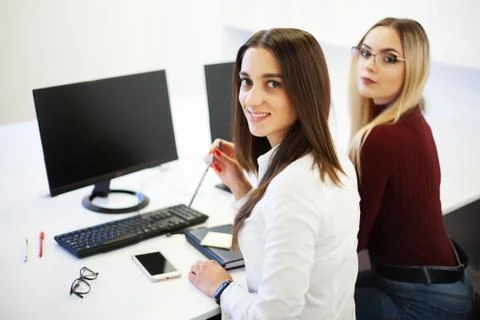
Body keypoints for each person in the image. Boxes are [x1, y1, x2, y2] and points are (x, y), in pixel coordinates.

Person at [189, 28, 360, 319]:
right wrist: (240, 186)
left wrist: (221, 288)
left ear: (305, 89)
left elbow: (274, 316)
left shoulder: (295, 185)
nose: (252, 100)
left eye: (273, 84)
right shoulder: (333, 157)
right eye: (246, 82)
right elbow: (270, 239)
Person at [349, 17, 474, 319]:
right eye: (365, 53)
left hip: (422, 302)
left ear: (412, 69)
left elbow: (354, 238)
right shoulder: (412, 118)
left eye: (389, 59)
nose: (370, 65)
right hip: (447, 286)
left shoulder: (381, 137)